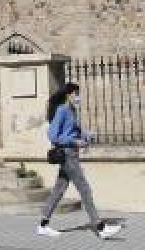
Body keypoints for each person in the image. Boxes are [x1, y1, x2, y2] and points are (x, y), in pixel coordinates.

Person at [37, 82, 121, 239]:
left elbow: (74, 130)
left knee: (58, 190)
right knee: (85, 189)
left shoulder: (72, 110)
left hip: (72, 154)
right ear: (68, 95)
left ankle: (43, 225)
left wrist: (87, 135)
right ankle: (100, 227)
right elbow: (52, 135)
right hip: (67, 155)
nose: (78, 97)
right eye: (76, 94)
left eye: (78, 94)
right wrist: (74, 142)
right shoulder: (62, 110)